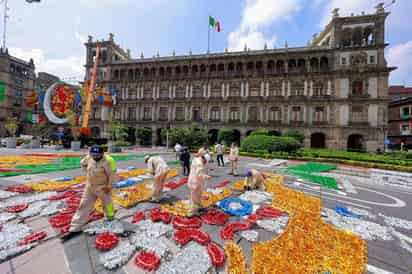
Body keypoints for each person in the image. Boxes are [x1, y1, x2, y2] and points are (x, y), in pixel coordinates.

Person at [61, 145, 117, 241]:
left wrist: (109, 186)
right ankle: (75, 228)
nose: (95, 157)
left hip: (103, 187)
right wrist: (86, 173)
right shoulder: (89, 157)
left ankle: (110, 217)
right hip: (90, 186)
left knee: (107, 204)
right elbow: (83, 163)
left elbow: (113, 174)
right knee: (83, 205)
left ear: (102, 154)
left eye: (97, 155)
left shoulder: (109, 161)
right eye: (93, 155)